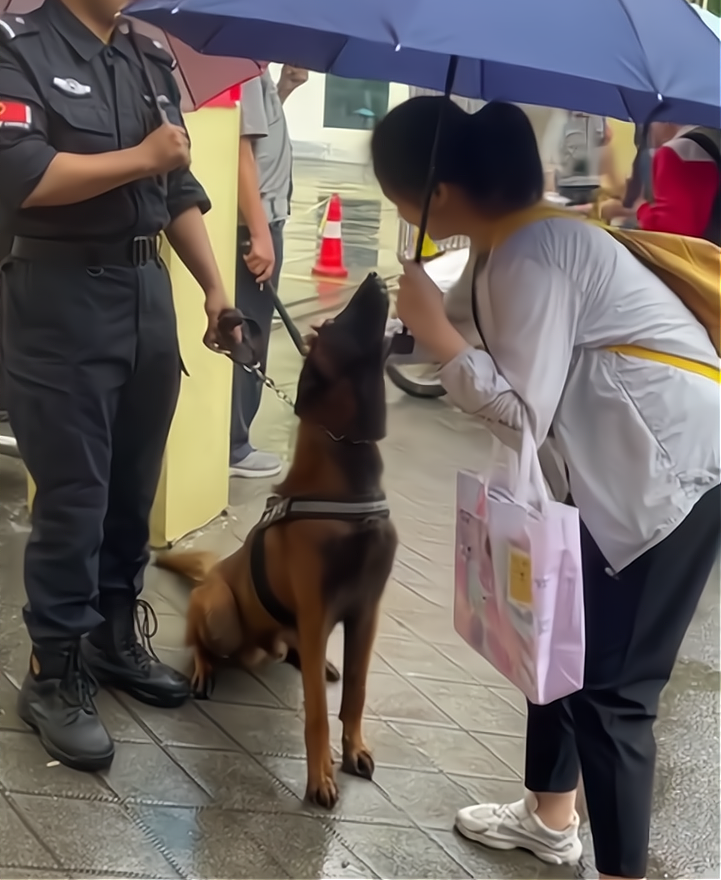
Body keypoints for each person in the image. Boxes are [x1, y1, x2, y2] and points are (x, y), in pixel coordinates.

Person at [371, 97, 720, 880]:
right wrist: (424, 319)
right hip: (611, 477)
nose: (395, 208)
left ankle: (619, 871)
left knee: (616, 693)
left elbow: (520, 411)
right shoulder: (514, 244)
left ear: (437, 193)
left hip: (672, 479)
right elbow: (480, 335)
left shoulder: (536, 251)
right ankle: (547, 818)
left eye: (396, 191)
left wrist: (433, 331)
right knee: (558, 638)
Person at [0, 0, 238, 771]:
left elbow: (176, 189)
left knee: (133, 486)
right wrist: (139, 155)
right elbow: (20, 172)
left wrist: (214, 286)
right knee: (75, 494)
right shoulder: (15, 51)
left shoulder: (147, 61)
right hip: (58, 295)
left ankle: (110, 637)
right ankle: (50, 671)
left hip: (144, 295)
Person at [230, 64, 307, 478]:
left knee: (251, 327)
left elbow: (260, 137)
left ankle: (233, 441)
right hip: (254, 224)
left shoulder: (256, 71)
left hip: (261, 220)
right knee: (250, 332)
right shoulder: (242, 65)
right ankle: (233, 446)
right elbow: (242, 151)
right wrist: (259, 233)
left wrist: (284, 88)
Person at [636, 122, 721, 243]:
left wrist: (640, 209)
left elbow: (671, 230)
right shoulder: (709, 139)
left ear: (666, 120)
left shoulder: (674, 151)